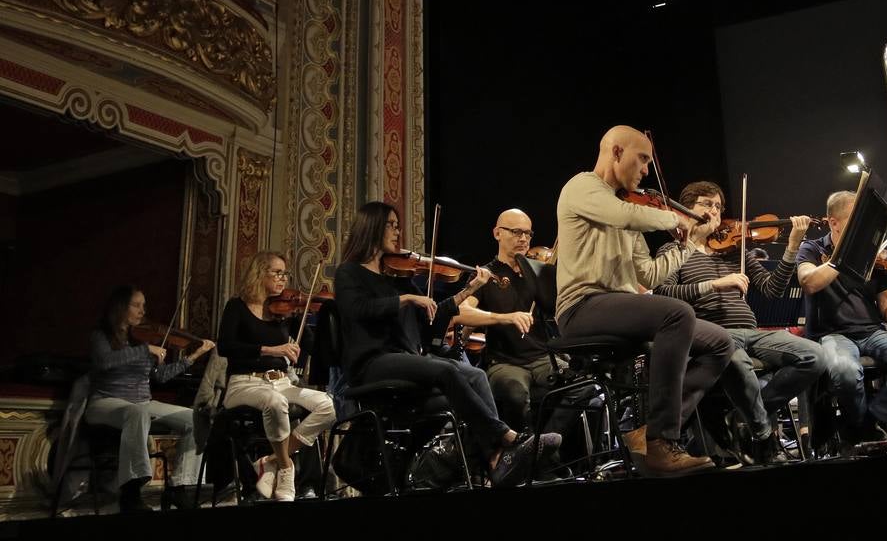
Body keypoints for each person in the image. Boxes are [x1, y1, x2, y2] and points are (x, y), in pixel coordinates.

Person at [333, 201, 556, 488]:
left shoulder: (398, 278)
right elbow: (358, 309)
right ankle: (505, 440)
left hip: (403, 359)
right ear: (371, 226)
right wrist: (408, 299)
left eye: (398, 226)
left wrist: (468, 291)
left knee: (473, 377)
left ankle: (491, 463)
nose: (397, 232)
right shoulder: (349, 272)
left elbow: (432, 321)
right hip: (371, 363)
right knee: (446, 371)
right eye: (391, 225)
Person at [555, 126, 733, 475]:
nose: (647, 171)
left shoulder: (628, 209)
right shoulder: (583, 187)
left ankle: (650, 430)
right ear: (617, 152)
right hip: (581, 308)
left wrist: (685, 244)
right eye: (643, 160)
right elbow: (624, 215)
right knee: (678, 314)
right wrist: (675, 218)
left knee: (719, 343)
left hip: (617, 307)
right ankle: (663, 444)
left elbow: (648, 275)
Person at [653, 180, 823, 464]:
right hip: (713, 336)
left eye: (719, 206)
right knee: (738, 362)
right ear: (686, 211)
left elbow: (772, 289)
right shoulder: (673, 251)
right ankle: (763, 433)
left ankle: (745, 415)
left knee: (814, 356)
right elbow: (663, 292)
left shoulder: (736, 251)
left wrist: (792, 248)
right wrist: (715, 284)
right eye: (706, 204)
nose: (715, 212)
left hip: (752, 330)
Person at [795, 190, 887, 445]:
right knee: (845, 372)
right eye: (856, 220)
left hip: (874, 332)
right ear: (834, 222)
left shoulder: (874, 257)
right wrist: (844, 257)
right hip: (832, 334)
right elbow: (809, 282)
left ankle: (870, 421)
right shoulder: (813, 248)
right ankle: (861, 428)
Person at [216, 251, 337, 501]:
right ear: (260, 273)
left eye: (285, 274)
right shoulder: (237, 306)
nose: (283, 279)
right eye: (277, 273)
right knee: (276, 402)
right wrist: (271, 349)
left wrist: (326, 322)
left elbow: (314, 348)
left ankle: (272, 461)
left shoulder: (286, 312)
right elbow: (225, 347)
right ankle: (285, 467)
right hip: (244, 383)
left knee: (329, 405)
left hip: (280, 381)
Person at [85, 285, 215, 512]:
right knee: (137, 412)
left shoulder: (140, 341)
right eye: (136, 305)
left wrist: (193, 357)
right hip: (104, 402)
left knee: (195, 418)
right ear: (120, 307)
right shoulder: (101, 336)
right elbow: (105, 362)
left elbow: (160, 376)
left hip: (142, 403)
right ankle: (131, 491)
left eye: (143, 306)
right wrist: (146, 350)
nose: (142, 311)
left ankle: (179, 486)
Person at [454, 209, 562, 434]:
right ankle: (523, 452)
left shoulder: (537, 272)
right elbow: (460, 312)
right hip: (505, 363)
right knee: (514, 393)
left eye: (527, 233)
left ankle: (544, 448)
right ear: (497, 233)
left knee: (582, 386)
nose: (523, 239)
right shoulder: (485, 275)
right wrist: (505, 317)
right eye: (515, 232)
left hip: (542, 357)